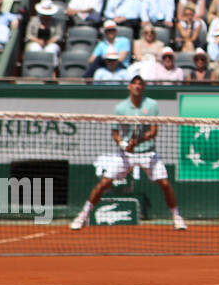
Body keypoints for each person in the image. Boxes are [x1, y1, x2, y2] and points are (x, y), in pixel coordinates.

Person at [70, 75, 187, 231]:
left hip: (148, 153)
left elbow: (153, 131)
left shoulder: (151, 105)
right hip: (125, 155)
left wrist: (137, 141)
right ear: (129, 87)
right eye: (134, 83)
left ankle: (176, 217)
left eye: (140, 84)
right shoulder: (120, 108)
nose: (137, 86)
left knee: (165, 184)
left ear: (143, 87)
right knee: (104, 183)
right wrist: (124, 144)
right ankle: (83, 215)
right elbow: (115, 133)